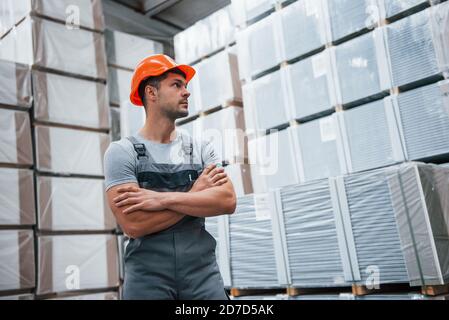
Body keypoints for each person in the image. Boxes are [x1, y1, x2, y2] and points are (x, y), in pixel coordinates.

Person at [104, 54, 237, 300]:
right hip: (147, 278)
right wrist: (196, 194)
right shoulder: (122, 152)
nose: (186, 92)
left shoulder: (201, 148)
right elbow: (134, 224)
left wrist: (161, 200)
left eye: (185, 86)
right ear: (151, 93)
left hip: (202, 274)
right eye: (177, 85)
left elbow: (227, 201)